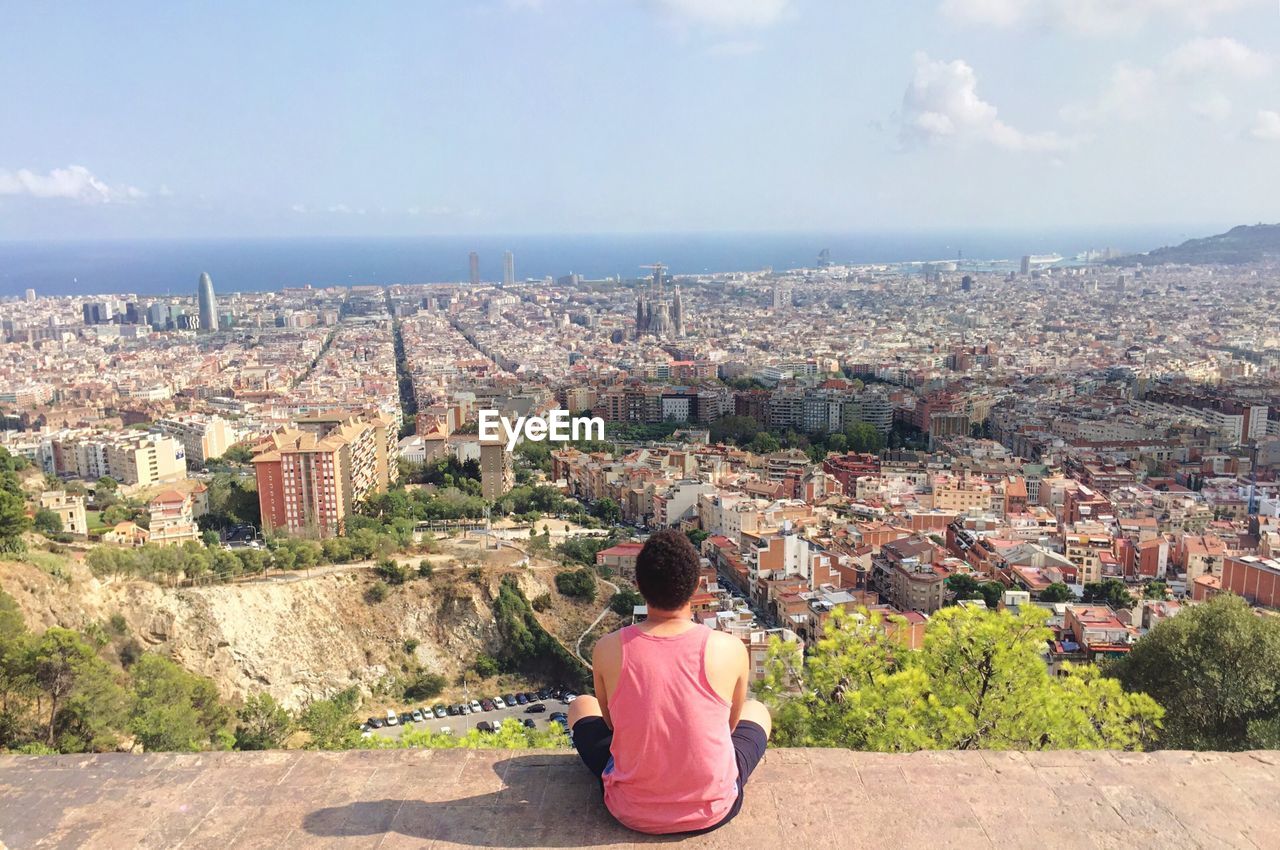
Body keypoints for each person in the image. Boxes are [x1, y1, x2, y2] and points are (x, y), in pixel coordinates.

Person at [568, 529, 771, 835]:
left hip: (629, 807)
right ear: (697, 585)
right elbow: (728, 729)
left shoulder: (608, 648)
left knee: (581, 705)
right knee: (757, 711)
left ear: (638, 586)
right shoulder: (728, 648)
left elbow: (612, 726)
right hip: (713, 807)